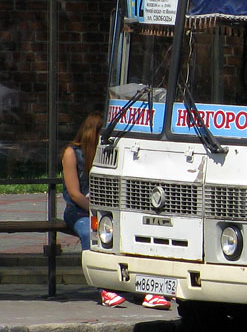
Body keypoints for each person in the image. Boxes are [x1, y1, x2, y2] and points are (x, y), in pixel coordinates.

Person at [62, 112, 170, 309]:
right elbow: (75, 194)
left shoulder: (111, 153)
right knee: (91, 232)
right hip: (80, 210)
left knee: (141, 233)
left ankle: (148, 289)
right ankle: (104, 290)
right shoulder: (72, 153)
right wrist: (96, 211)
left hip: (109, 211)